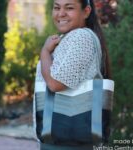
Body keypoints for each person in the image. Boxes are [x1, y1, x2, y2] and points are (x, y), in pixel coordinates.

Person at [39, 0, 111, 149]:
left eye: (69, 8)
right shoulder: (71, 37)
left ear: (86, 11)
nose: (61, 13)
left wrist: (45, 52)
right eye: (57, 7)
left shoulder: (80, 37)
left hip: (69, 141)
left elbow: (54, 83)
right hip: (68, 138)